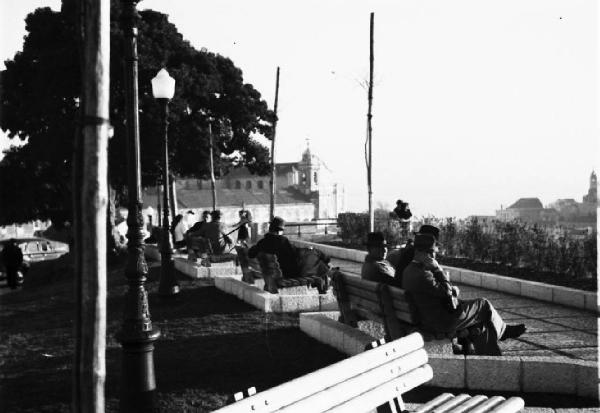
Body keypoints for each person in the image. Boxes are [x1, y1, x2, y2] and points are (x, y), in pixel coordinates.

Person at [402, 233, 526, 356]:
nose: (434, 256)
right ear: (425, 253)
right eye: (433, 252)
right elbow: (447, 291)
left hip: (429, 318)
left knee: (481, 325)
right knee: (483, 304)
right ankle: (503, 331)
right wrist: (437, 269)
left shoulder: (408, 271)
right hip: (443, 321)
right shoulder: (423, 274)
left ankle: (492, 358)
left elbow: (440, 293)